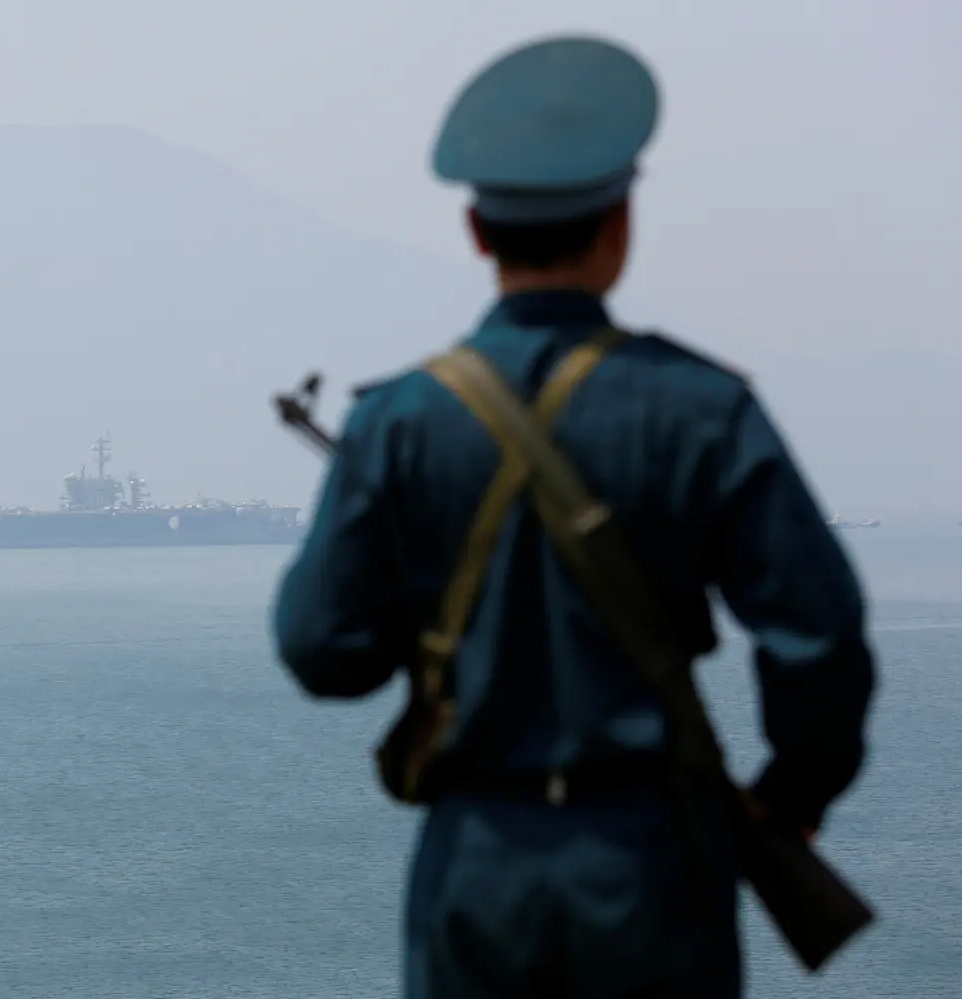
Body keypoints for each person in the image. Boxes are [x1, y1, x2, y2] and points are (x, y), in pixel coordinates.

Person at [270, 34, 877, 999]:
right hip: (652, 864)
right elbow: (819, 634)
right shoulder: (701, 408)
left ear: (475, 229)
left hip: (477, 862)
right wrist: (795, 794)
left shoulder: (396, 424)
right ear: (622, 222)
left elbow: (321, 648)